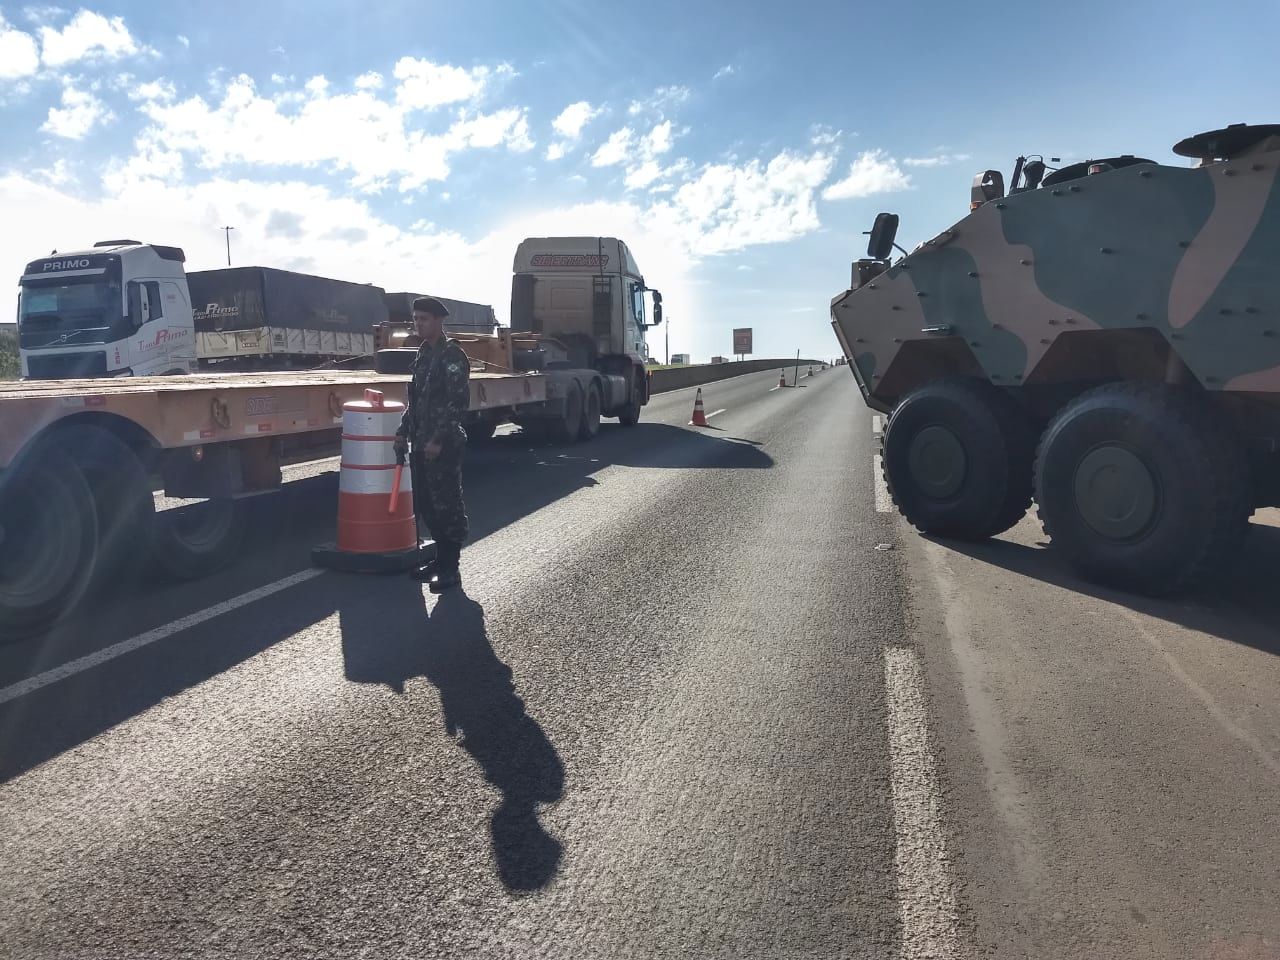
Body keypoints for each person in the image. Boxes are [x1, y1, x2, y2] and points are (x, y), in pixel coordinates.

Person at [393, 297, 471, 592]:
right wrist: (402, 430)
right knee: (427, 504)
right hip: (422, 443)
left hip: (443, 444)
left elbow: (458, 403)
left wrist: (438, 440)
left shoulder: (452, 355)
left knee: (447, 504)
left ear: (439, 321)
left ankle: (451, 569)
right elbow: (417, 401)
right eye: (415, 319)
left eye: (424, 319)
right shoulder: (424, 353)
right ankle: (439, 560)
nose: (418, 324)